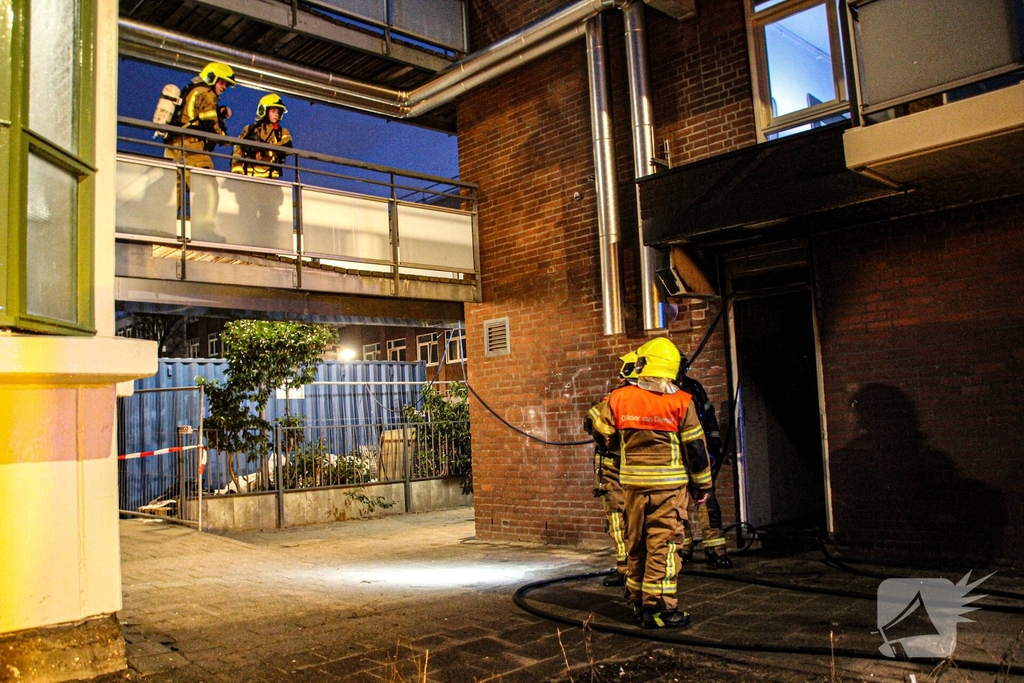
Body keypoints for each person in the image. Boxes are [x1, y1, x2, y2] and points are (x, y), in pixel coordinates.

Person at [589, 337, 713, 629]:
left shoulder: (620, 398)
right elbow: (695, 450)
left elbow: (600, 431)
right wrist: (702, 486)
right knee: (665, 545)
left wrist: (622, 449)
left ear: (643, 365)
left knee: (638, 543)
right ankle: (659, 610)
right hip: (669, 490)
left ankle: (636, 600)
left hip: (632, 486)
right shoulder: (681, 402)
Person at [584, 351, 639, 587]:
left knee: (617, 518)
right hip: (642, 470)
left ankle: (625, 568)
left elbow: (591, 424)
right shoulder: (655, 398)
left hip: (614, 469)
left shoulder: (616, 398)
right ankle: (638, 566)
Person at [164, 62, 235, 235]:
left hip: (175, 144)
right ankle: (204, 231)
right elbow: (210, 124)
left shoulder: (194, 90)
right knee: (208, 188)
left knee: (174, 189)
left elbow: (197, 115)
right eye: (222, 82)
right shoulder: (207, 93)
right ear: (212, 78)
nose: (224, 87)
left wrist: (219, 112)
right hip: (191, 146)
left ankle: (162, 227)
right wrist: (225, 139)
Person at [676, 359, 733, 569]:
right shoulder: (665, 392)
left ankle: (716, 551)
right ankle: (683, 549)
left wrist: (715, 441)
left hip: (699, 454)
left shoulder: (694, 387)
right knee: (678, 506)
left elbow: (708, 416)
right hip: (678, 458)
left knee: (708, 503)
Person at [231, 94, 294, 178]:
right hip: (248, 177)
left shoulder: (282, 132)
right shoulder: (249, 129)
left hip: (270, 179)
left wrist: (265, 149)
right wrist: (236, 171)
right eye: (273, 111)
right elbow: (238, 149)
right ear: (263, 110)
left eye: (278, 112)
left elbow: (288, 146)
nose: (276, 115)